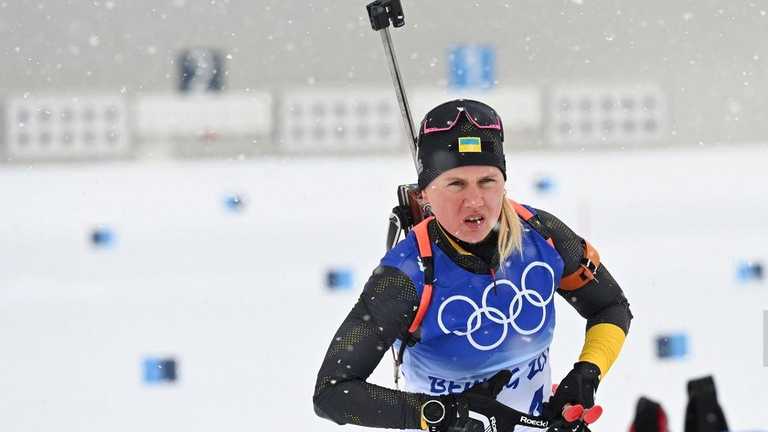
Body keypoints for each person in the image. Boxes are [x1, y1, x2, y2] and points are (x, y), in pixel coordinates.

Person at [313, 99, 633, 431]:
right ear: (425, 193)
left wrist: (586, 374)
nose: (475, 200)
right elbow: (333, 393)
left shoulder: (543, 236)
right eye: (455, 184)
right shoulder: (406, 275)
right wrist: (446, 413)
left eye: (487, 181)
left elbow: (610, 307)